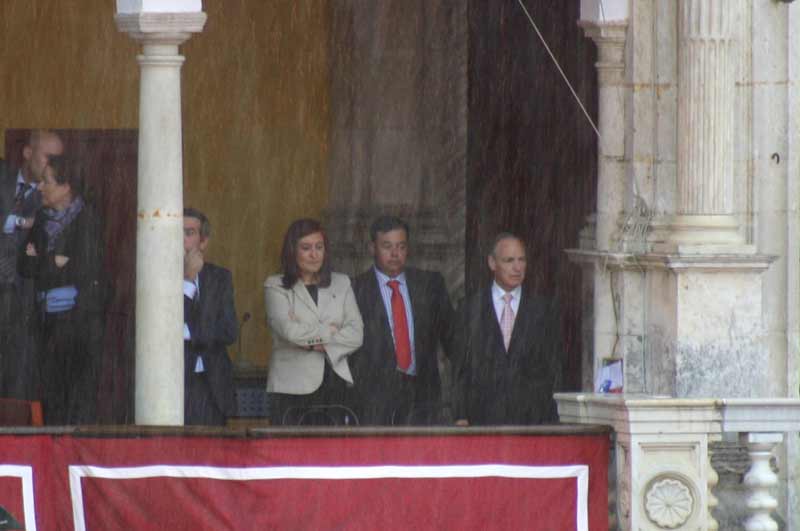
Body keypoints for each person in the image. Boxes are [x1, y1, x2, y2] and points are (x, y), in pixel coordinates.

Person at [18, 154, 104, 424]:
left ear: (66, 187)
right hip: (43, 322)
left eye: (46, 181)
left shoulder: (87, 220)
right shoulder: (42, 219)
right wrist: (53, 263)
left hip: (75, 326)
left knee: (74, 399)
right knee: (47, 398)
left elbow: (86, 270)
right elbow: (24, 265)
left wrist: (41, 260)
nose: (40, 187)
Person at [351, 216, 456, 425]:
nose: (395, 254)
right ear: (372, 248)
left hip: (423, 398)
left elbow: (454, 341)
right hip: (374, 401)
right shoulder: (355, 289)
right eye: (387, 246)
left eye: (401, 246)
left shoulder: (430, 285)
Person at [453, 233, 562, 425]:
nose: (517, 267)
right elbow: (461, 368)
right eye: (509, 260)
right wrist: (460, 415)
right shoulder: (470, 309)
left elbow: (552, 369)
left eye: (522, 260)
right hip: (483, 420)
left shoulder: (542, 310)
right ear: (492, 263)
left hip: (531, 422)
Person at [264, 218, 363, 426]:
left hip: (334, 386)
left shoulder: (341, 282)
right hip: (291, 387)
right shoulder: (276, 285)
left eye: (319, 247)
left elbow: (356, 334)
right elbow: (290, 331)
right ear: (293, 251)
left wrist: (312, 342)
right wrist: (332, 331)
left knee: (330, 455)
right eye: (306, 248)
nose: (314, 254)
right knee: (291, 455)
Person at [0, 130, 64, 400]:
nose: (52, 165)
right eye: (48, 157)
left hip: (24, 302)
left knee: (18, 382)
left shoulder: (53, 195)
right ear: (27, 153)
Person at [182, 208, 238, 426]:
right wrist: (187, 280)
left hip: (213, 385)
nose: (181, 240)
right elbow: (165, 332)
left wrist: (189, 333)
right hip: (175, 385)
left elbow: (229, 330)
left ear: (203, 242)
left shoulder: (219, 277)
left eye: (189, 233)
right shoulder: (156, 277)